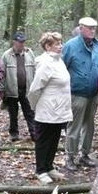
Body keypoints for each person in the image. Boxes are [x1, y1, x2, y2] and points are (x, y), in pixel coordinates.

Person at [28, 32, 72, 184]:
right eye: (57, 44)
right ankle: (40, 170)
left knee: (54, 139)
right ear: (48, 46)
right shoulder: (45, 63)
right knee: (44, 140)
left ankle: (49, 166)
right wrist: (35, 107)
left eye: (61, 43)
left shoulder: (59, 61)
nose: (61, 46)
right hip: (47, 110)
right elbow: (35, 89)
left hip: (60, 110)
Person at [62, 17, 98, 170]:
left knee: (90, 126)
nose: (93, 30)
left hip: (93, 94)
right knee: (74, 126)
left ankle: (85, 154)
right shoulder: (70, 46)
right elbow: (62, 69)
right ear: (81, 28)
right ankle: (70, 156)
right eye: (89, 28)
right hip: (77, 93)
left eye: (94, 27)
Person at [0, 31, 37, 142]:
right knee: (13, 114)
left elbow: (34, 70)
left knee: (29, 112)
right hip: (11, 89)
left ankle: (34, 132)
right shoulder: (7, 55)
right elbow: (2, 73)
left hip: (27, 89)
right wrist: (1, 89)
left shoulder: (29, 53)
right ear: (14, 42)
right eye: (19, 42)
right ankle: (14, 134)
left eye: (23, 42)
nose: (22, 44)